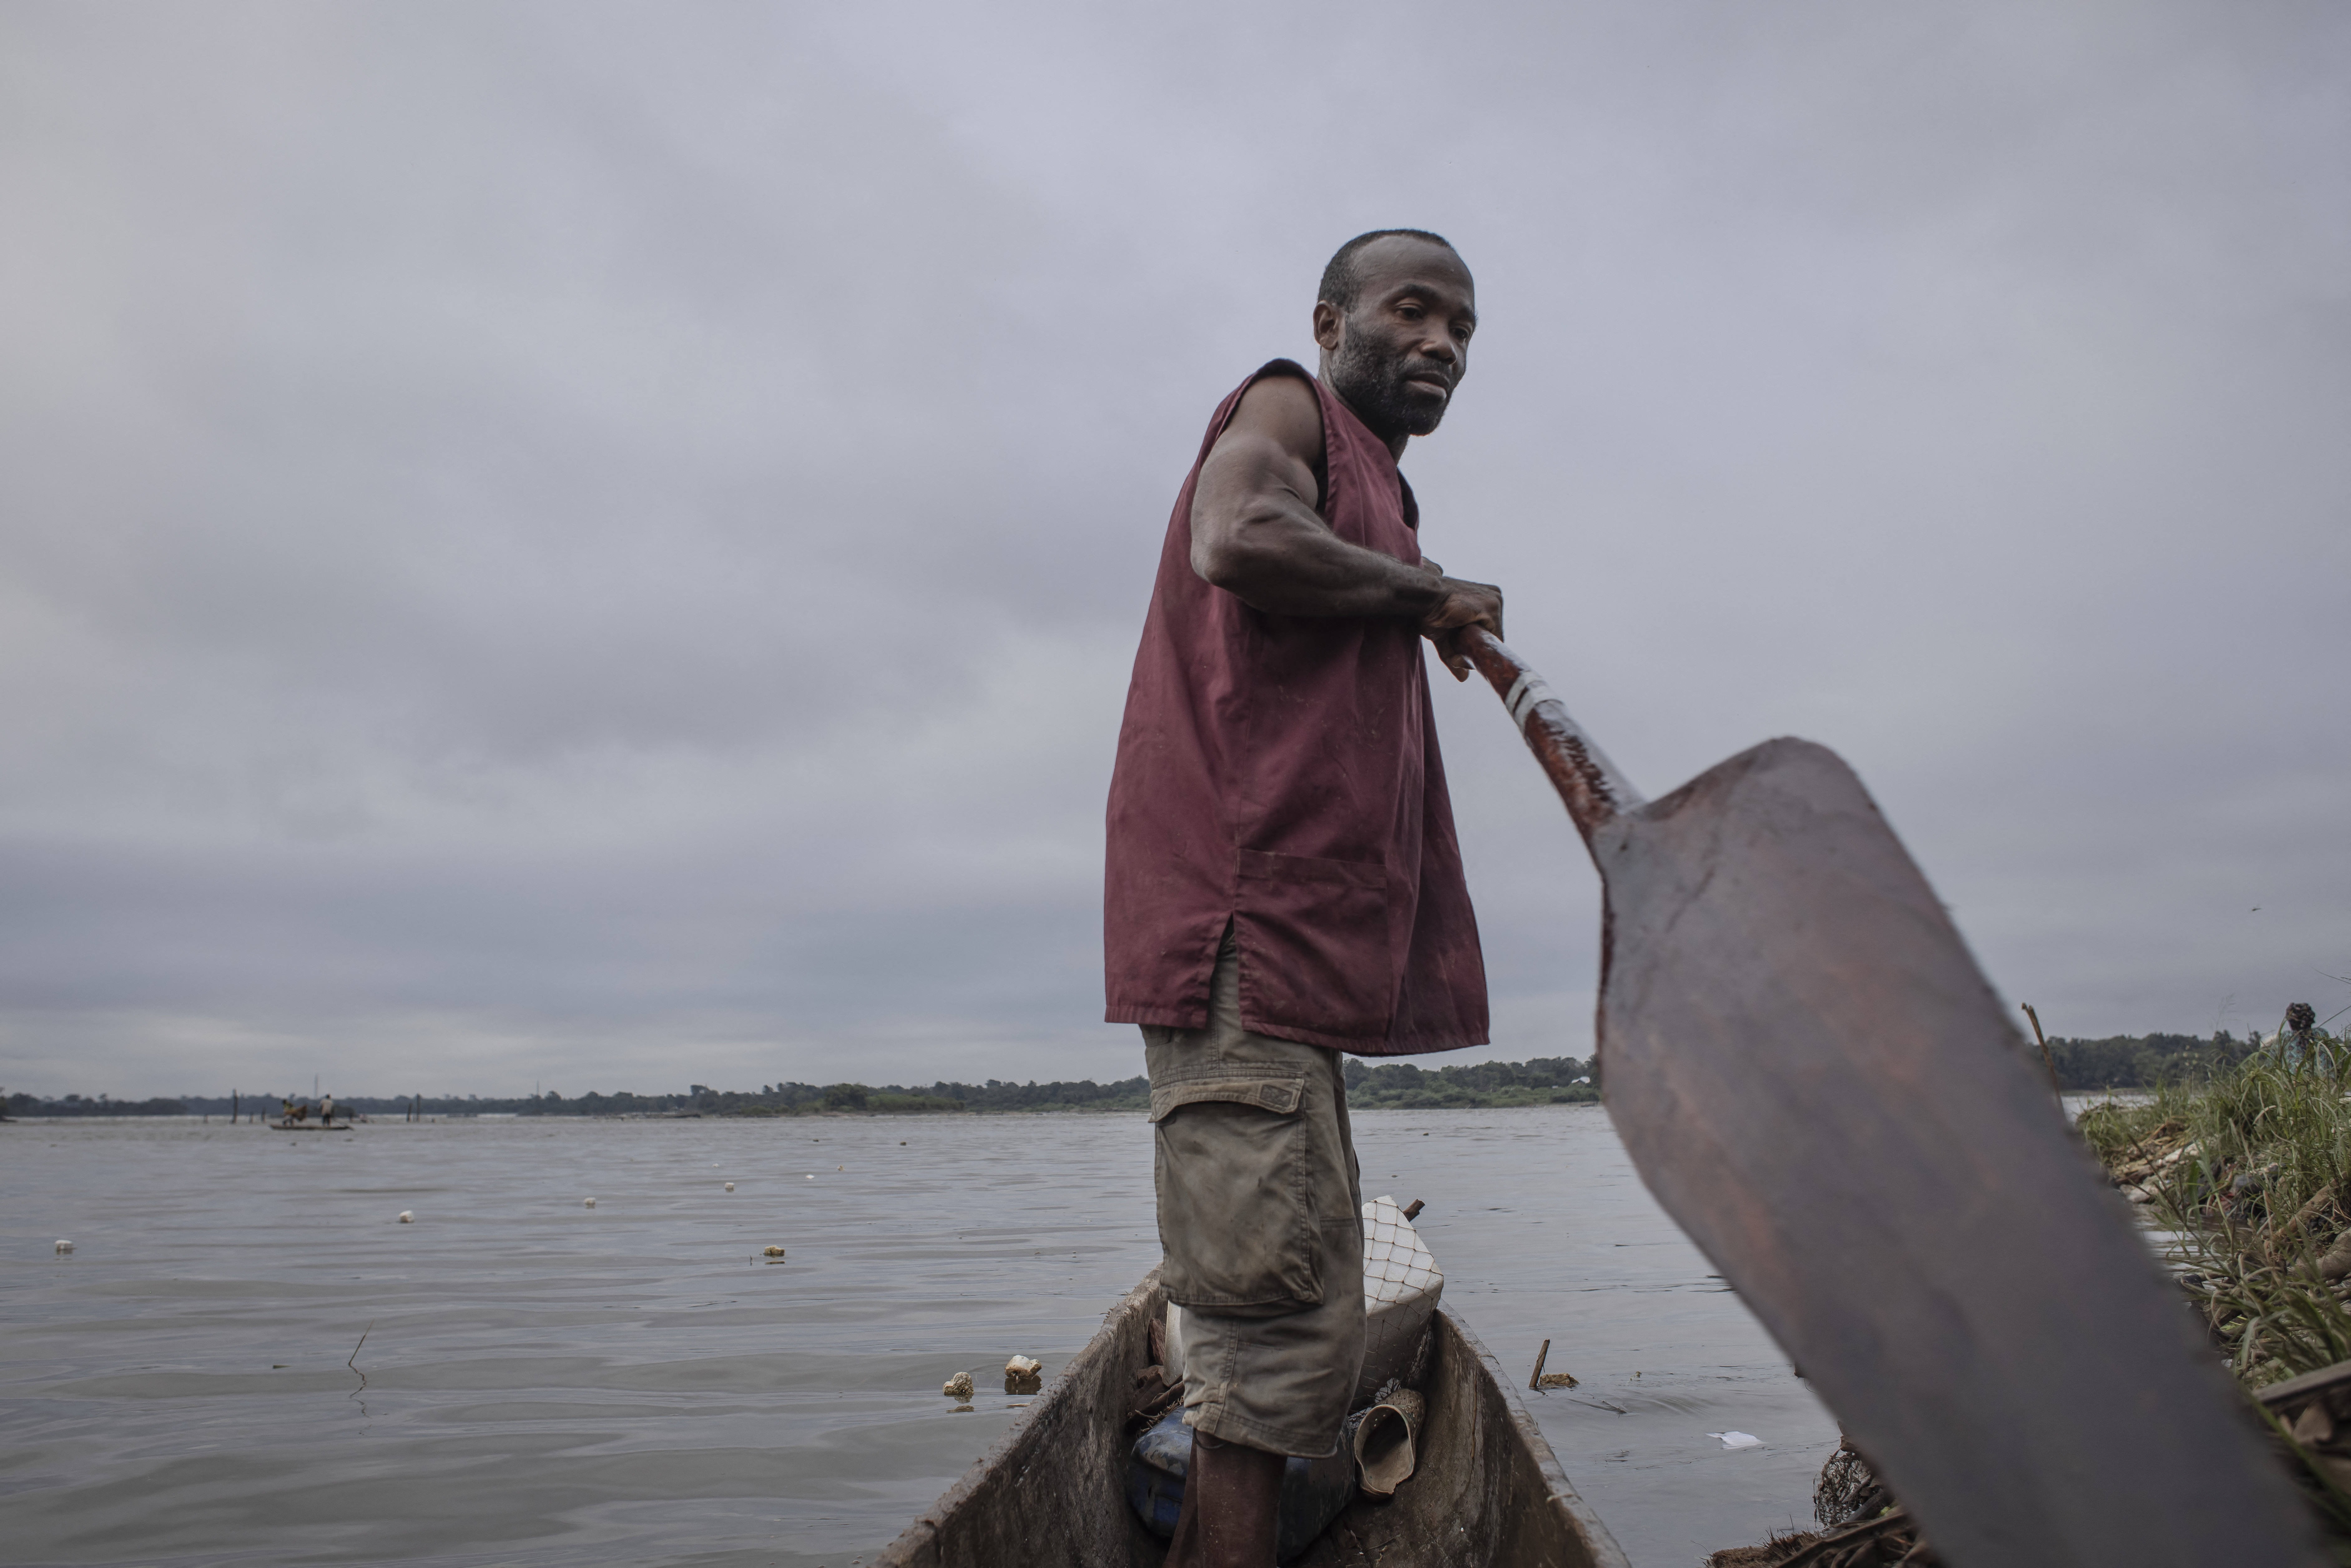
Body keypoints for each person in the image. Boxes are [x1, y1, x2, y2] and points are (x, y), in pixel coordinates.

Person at [1103, 230, 1497, 1568]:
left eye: (1463, 328)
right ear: (1332, 318)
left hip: (1296, 961)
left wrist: (1417, 588)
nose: (1443, 341)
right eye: (1413, 310)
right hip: (1242, 932)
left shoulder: (1381, 486)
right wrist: (1426, 593)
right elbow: (1238, 530)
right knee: (1268, 1334)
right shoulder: (1286, 407)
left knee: (1303, 1303)